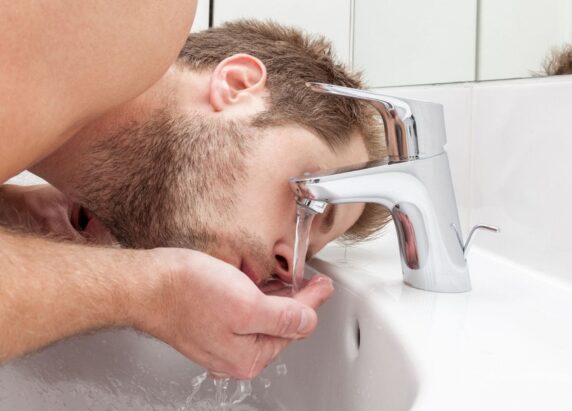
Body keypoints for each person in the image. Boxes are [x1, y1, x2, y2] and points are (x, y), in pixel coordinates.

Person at [0, 2, 388, 380]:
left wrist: (10, 212)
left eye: (309, 251)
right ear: (237, 86)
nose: (291, 265)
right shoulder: (139, 14)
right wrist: (150, 292)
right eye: (306, 198)